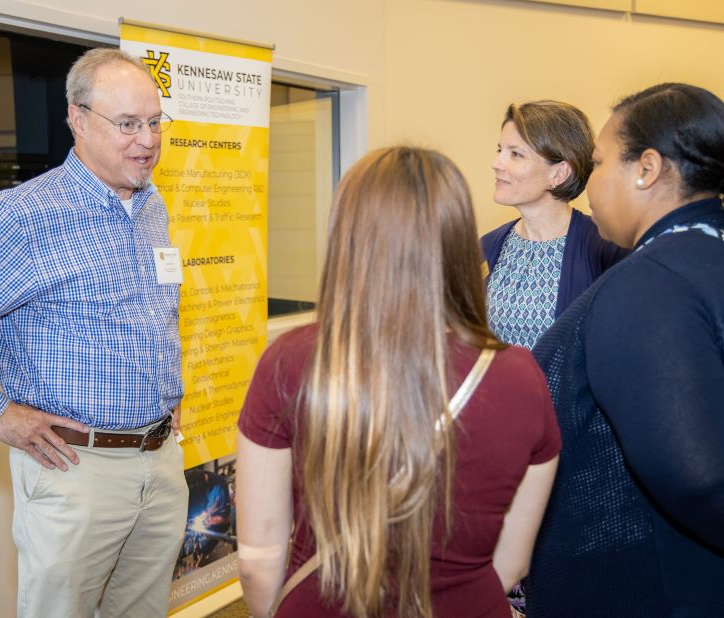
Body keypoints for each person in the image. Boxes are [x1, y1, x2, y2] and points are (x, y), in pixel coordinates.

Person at [236, 146, 561, 617]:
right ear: (455, 240)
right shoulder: (519, 377)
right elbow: (511, 562)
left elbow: (258, 562)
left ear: (348, 237)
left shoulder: (290, 362)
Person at [0, 48, 187, 617]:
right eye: (127, 124)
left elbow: (153, 318)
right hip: (74, 473)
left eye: (154, 122)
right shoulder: (24, 217)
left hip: (160, 463)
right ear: (78, 120)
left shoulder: (151, 205)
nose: (147, 140)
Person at [528, 83, 724, 617]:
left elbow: (698, 478)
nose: (587, 183)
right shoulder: (703, 254)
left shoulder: (648, 285)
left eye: (596, 163)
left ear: (647, 169)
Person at [483, 100, 627, 350]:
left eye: (515, 154)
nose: (497, 164)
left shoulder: (604, 248)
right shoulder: (488, 246)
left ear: (559, 174)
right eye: (500, 150)